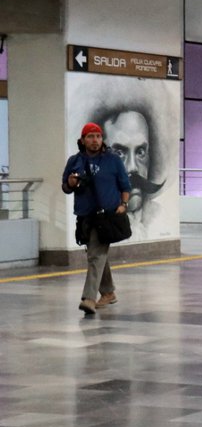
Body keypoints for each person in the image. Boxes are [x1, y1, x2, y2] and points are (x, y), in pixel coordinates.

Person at [62, 122, 131, 316]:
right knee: (97, 254)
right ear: (83, 140)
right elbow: (66, 187)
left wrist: (123, 205)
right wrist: (70, 182)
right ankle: (108, 292)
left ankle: (89, 298)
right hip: (85, 216)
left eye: (98, 136)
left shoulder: (113, 160)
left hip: (106, 216)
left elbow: (125, 186)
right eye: (91, 137)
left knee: (95, 255)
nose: (95, 140)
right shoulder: (74, 161)